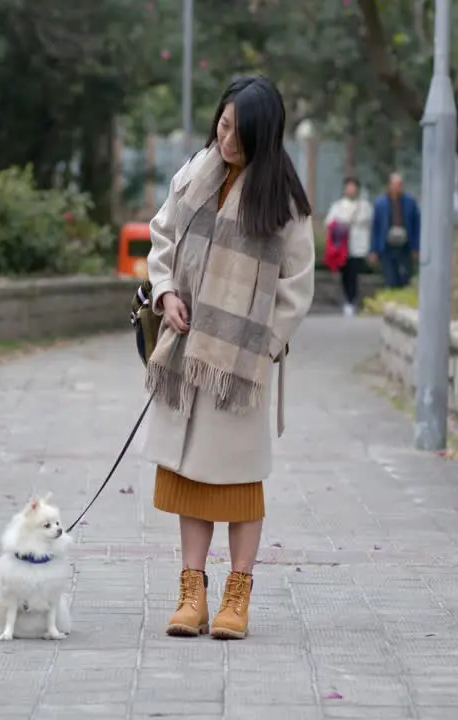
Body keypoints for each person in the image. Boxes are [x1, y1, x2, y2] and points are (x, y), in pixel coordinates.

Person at [140, 75, 315, 641]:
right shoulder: (196, 172)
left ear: (266, 136)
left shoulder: (284, 200)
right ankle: (191, 591)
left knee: (238, 483)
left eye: (240, 132)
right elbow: (161, 237)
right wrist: (166, 294)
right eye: (223, 124)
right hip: (188, 352)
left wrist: (259, 348)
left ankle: (237, 595)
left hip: (240, 368)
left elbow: (297, 286)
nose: (228, 139)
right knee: (191, 476)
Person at [324, 177, 373, 315]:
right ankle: (348, 301)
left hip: (359, 246)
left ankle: (353, 300)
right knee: (345, 275)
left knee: (355, 274)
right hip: (343, 247)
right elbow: (329, 223)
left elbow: (369, 223)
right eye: (349, 187)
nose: (351, 189)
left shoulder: (365, 206)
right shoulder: (338, 206)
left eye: (353, 187)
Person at [369, 173, 421, 289]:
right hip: (387, 245)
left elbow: (416, 226)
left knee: (405, 277)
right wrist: (374, 250)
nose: (397, 187)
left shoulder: (410, 202)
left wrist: (416, 248)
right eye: (395, 185)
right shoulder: (380, 203)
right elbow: (375, 228)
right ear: (389, 185)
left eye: (400, 185)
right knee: (389, 278)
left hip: (405, 246)